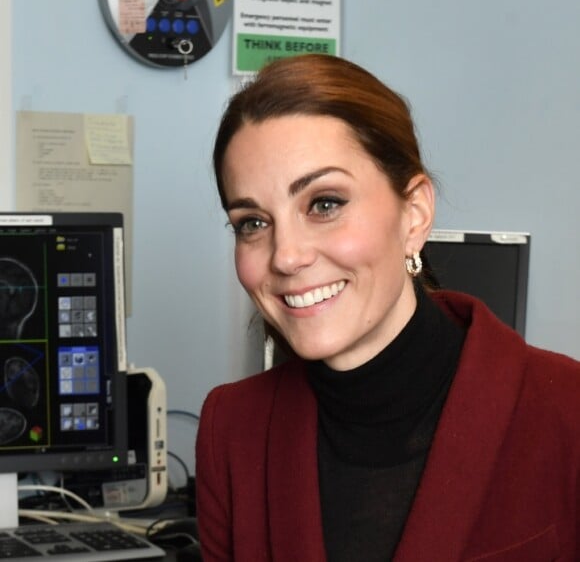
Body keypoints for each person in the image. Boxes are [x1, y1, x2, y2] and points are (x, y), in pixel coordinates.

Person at [195, 53, 580, 561]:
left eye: (325, 203)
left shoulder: (565, 410)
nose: (286, 256)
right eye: (253, 222)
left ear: (415, 214)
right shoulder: (232, 428)